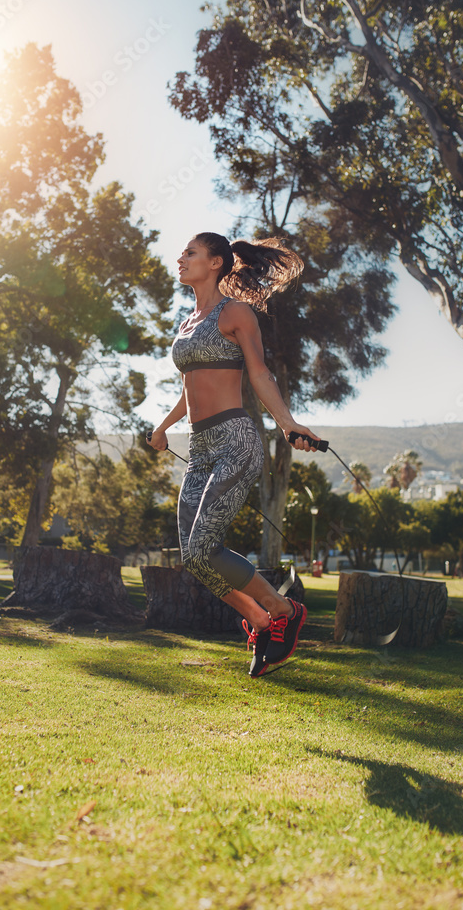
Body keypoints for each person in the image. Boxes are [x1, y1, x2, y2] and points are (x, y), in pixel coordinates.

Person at [147, 231, 321, 677]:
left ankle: (284, 610)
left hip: (235, 440)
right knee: (193, 557)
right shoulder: (188, 323)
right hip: (200, 445)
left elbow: (259, 375)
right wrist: (165, 427)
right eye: (183, 252)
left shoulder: (236, 313)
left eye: (191, 253)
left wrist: (288, 424)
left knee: (206, 546)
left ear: (218, 263)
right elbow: (190, 389)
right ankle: (263, 620)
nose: (181, 258)